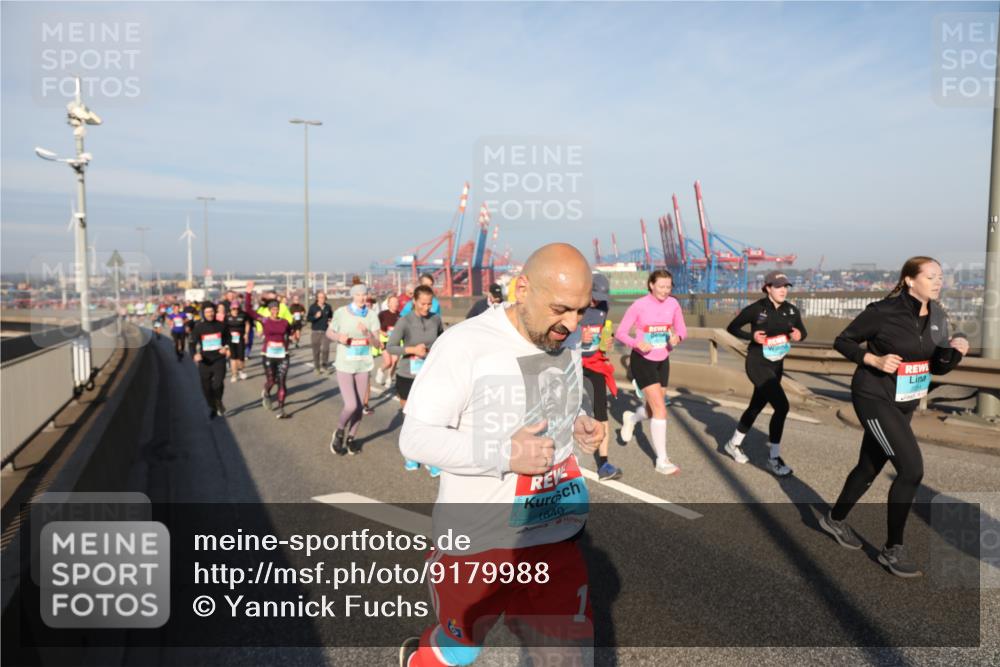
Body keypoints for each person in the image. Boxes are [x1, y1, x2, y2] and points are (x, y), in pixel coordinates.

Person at [397, 243, 603, 667]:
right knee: (459, 651)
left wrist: (578, 419)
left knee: (565, 659)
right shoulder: (465, 345)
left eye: (582, 310)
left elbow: (553, 400)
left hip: (555, 534)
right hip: (476, 544)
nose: (572, 323)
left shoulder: (566, 339)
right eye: (561, 308)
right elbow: (415, 439)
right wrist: (504, 455)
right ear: (522, 288)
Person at [821, 256, 968, 578]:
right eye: (931, 276)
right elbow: (843, 341)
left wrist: (956, 350)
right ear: (910, 280)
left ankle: (834, 519)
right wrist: (872, 359)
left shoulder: (939, 316)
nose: (938, 281)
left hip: (906, 401)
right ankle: (892, 549)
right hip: (873, 396)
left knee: (869, 467)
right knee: (911, 469)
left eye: (941, 276)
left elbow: (938, 365)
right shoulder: (882, 312)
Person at [723, 270, 807, 477]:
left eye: (785, 287)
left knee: (756, 406)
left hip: (776, 365)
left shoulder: (791, 311)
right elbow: (732, 327)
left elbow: (802, 332)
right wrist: (751, 336)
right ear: (768, 288)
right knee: (782, 406)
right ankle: (773, 458)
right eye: (778, 286)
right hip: (757, 363)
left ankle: (733, 444)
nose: (783, 291)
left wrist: (799, 335)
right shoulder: (756, 309)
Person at [614, 269, 687, 475]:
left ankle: (631, 419)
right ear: (651, 285)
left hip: (663, 359)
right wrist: (637, 343)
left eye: (668, 286)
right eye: (661, 286)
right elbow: (620, 332)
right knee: (661, 410)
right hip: (642, 360)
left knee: (652, 410)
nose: (665, 291)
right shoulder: (639, 305)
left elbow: (682, 330)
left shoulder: (673, 304)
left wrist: (677, 338)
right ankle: (662, 461)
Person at [563, 273, 622, 481]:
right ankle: (562, 459)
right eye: (594, 296)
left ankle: (604, 463)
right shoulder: (574, 307)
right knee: (568, 410)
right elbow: (558, 334)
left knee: (601, 411)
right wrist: (578, 335)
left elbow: (605, 332)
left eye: (600, 297)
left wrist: (607, 343)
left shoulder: (604, 307)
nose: (596, 301)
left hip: (595, 363)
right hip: (572, 363)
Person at [387, 285, 443, 476]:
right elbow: (391, 347)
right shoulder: (405, 321)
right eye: (423, 304)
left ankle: (430, 458)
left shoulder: (436, 319)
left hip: (429, 375)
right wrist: (412, 350)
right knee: (410, 417)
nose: (426, 307)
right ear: (414, 302)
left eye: (429, 303)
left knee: (430, 418)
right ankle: (411, 454)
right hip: (407, 375)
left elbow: (443, 342)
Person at [328, 283, 381, 455]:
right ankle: (339, 431)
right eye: (358, 295)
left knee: (359, 407)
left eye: (364, 294)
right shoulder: (341, 313)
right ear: (353, 296)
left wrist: (367, 333)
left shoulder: (372, 315)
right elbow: (329, 333)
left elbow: (378, 344)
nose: (362, 298)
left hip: (363, 364)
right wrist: (339, 337)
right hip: (344, 365)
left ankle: (351, 438)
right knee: (350, 405)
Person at [244, 282, 293, 419]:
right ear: (269, 310)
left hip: (283, 355)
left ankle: (281, 409)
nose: (275, 311)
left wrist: (288, 344)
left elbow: (289, 332)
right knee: (271, 380)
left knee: (282, 381)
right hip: (268, 355)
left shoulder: (284, 322)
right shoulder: (264, 320)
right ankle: (266, 393)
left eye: (276, 309)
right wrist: (248, 293)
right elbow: (248, 310)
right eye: (272, 309)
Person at [191, 302, 231, 419]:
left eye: (212, 311)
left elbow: (229, 338)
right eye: (207, 312)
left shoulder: (221, 325)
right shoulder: (198, 327)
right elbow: (192, 343)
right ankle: (213, 406)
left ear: (215, 312)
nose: (210, 314)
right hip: (204, 361)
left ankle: (218, 401)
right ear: (203, 313)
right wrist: (194, 354)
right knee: (206, 388)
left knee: (217, 384)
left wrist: (226, 347)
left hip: (219, 359)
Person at [376, 295, 401, 389]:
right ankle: (381, 370)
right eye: (393, 302)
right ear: (388, 304)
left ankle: (389, 378)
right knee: (388, 362)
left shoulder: (400, 315)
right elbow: (376, 327)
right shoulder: (382, 314)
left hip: (396, 341)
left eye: (396, 302)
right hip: (385, 340)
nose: (395, 304)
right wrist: (383, 332)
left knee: (394, 361)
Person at [307, 291, 334, 376]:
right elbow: (308, 318)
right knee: (316, 351)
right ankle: (317, 368)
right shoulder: (313, 307)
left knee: (326, 350)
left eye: (323, 297)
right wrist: (315, 317)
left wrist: (330, 321)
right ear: (317, 298)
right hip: (316, 332)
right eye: (320, 297)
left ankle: (325, 367)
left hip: (326, 332)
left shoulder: (328, 307)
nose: (322, 299)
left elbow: (331, 317)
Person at [225, 301, 250, 383]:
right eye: (234, 308)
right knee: (233, 357)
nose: (235, 310)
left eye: (237, 308)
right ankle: (234, 375)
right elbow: (224, 328)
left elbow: (247, 324)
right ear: (230, 308)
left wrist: (246, 334)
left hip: (240, 338)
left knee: (241, 357)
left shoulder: (243, 315)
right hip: (230, 339)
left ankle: (241, 371)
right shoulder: (227, 316)